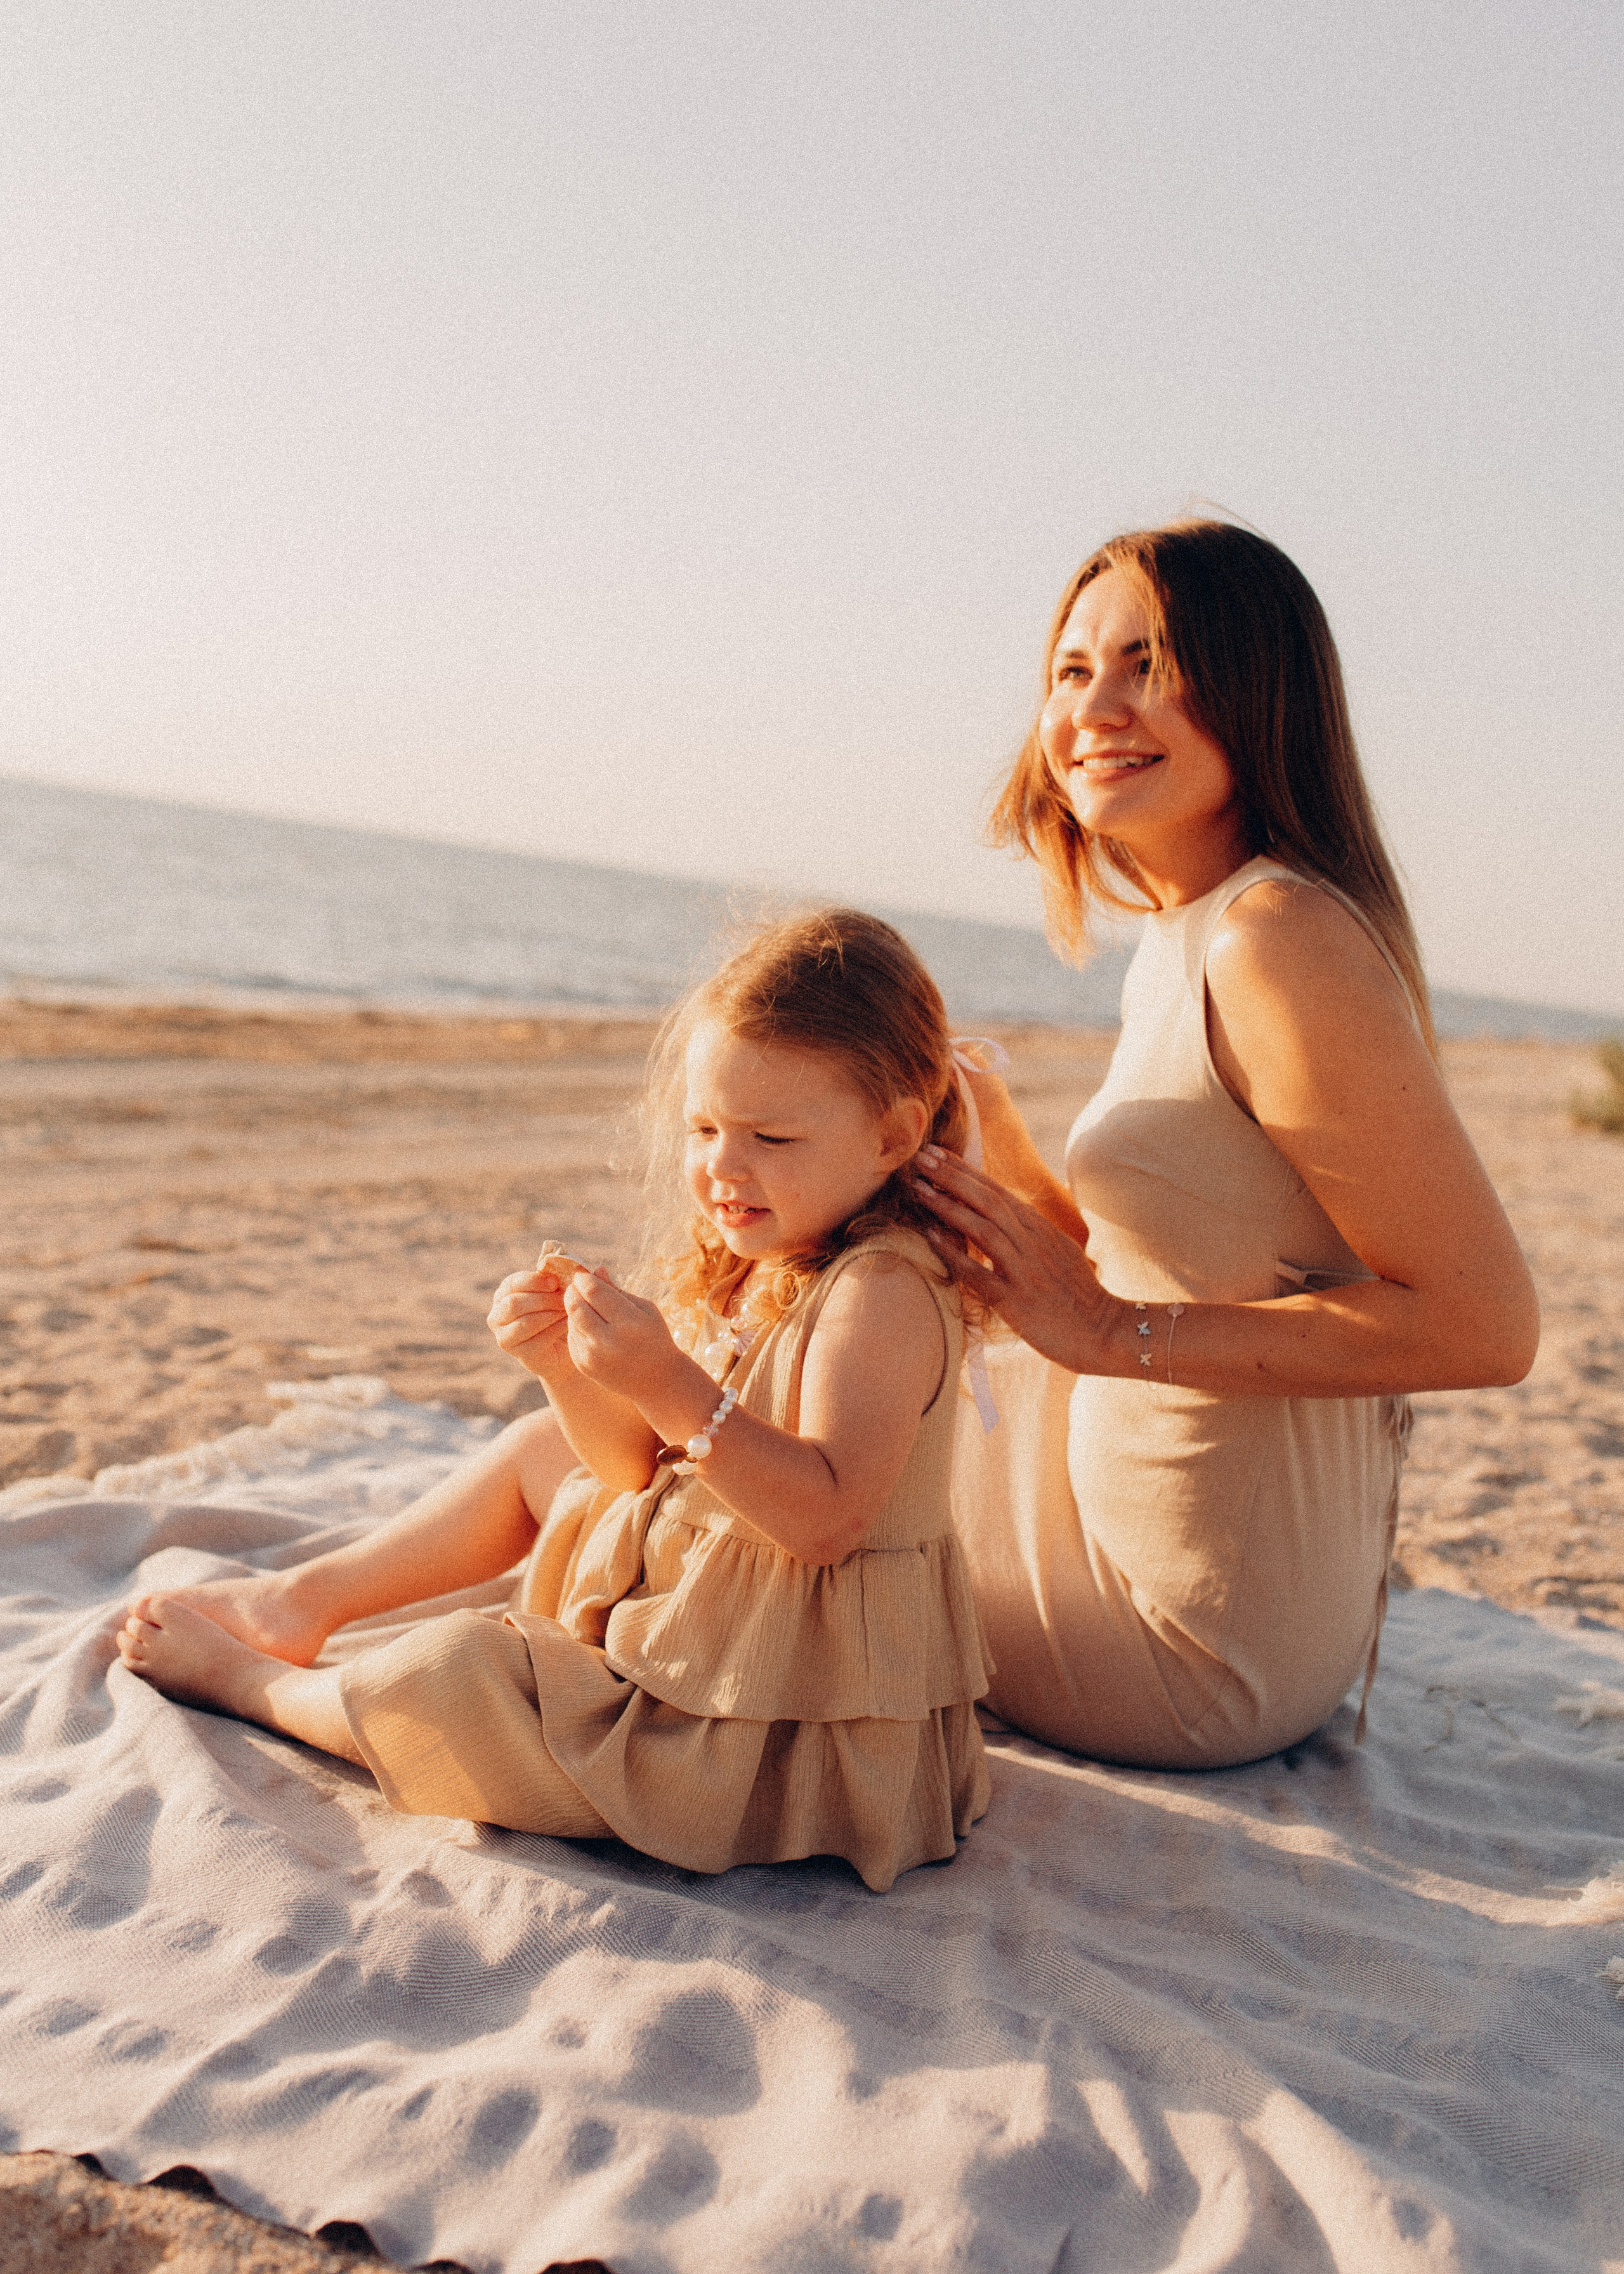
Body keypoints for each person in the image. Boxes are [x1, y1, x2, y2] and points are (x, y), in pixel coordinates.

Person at [116, 911, 991, 1893]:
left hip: (770, 1723)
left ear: (896, 1133)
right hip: (721, 1613)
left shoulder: (885, 1291)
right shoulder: (779, 1250)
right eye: (704, 1129)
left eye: (771, 1136)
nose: (723, 1167)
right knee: (544, 1448)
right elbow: (635, 1472)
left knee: (451, 1678)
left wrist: (668, 1381)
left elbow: (826, 1518)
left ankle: (259, 1683)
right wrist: (570, 1371)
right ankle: (299, 1603)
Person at [910, 520, 1540, 1770]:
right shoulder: (1191, 929)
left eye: (1145, 662)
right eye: (1070, 669)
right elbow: (1198, 1261)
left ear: (1254, 689)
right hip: (1166, 1554)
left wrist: (1102, 1337)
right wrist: (1013, 1164)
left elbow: (1482, 1324)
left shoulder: (1272, 941)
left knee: (727, 1452)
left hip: (1183, 1642)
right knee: (740, 1393)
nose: (1094, 706)